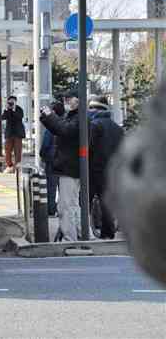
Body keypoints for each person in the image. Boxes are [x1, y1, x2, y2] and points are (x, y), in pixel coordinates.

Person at [40, 89, 83, 241]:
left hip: (70, 167)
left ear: (78, 101)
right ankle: (80, 233)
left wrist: (50, 116)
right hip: (71, 166)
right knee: (72, 204)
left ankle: (70, 237)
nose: (66, 102)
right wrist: (47, 117)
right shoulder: (73, 117)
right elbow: (59, 129)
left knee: (65, 205)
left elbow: (64, 130)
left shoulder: (79, 118)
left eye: (69, 99)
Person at [87, 95, 124, 239]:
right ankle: (108, 232)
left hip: (94, 170)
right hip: (113, 171)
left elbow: (89, 148)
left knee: (84, 200)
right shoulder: (117, 128)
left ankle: (84, 230)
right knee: (106, 202)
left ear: (94, 109)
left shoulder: (94, 125)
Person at [39, 100, 65, 217]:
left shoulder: (51, 127)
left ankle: (51, 210)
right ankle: (62, 209)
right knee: (64, 188)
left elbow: (45, 145)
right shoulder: (67, 123)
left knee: (51, 187)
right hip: (65, 161)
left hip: (52, 161)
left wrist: (43, 156)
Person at [1, 95, 26, 173]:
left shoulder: (19, 109)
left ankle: (17, 167)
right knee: (7, 150)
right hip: (9, 133)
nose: (11, 103)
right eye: (10, 102)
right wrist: (6, 108)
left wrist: (14, 109)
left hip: (18, 134)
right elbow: (3, 117)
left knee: (17, 151)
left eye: (13, 102)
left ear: (15, 102)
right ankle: (10, 166)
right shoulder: (7, 109)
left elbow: (19, 116)